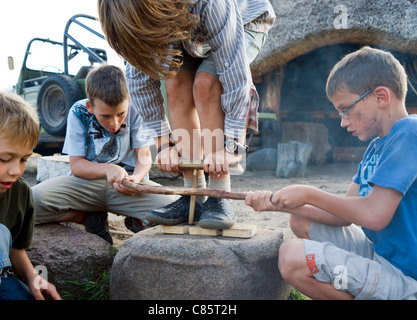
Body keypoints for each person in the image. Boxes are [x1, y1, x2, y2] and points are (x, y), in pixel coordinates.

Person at [245, 46, 417, 300]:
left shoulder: (409, 133)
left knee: (292, 257)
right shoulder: (376, 146)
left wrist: (308, 193)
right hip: (382, 256)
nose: (343, 121)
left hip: (407, 278)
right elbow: (343, 214)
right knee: (301, 221)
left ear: (381, 97)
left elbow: (374, 215)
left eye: (346, 109)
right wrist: (278, 204)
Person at [97, 0, 276, 229]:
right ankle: (194, 194)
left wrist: (231, 146)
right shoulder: (133, 26)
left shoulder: (209, 3)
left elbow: (235, 78)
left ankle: (219, 194)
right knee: (174, 82)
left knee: (206, 83)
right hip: (179, 31)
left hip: (243, 21)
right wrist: (164, 145)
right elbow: (141, 84)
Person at [32, 64, 178, 244]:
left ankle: (137, 221)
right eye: (106, 116)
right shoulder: (78, 111)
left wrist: (138, 179)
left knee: (175, 208)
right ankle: (88, 218)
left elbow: (144, 156)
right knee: (32, 203)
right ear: (90, 106)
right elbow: (77, 166)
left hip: (128, 188)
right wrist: (109, 169)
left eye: (121, 114)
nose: (114, 123)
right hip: (85, 186)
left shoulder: (136, 108)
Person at [0, 90, 60, 300]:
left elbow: (15, 249)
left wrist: (34, 279)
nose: (16, 171)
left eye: (23, 159)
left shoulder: (19, 192)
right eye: (4, 159)